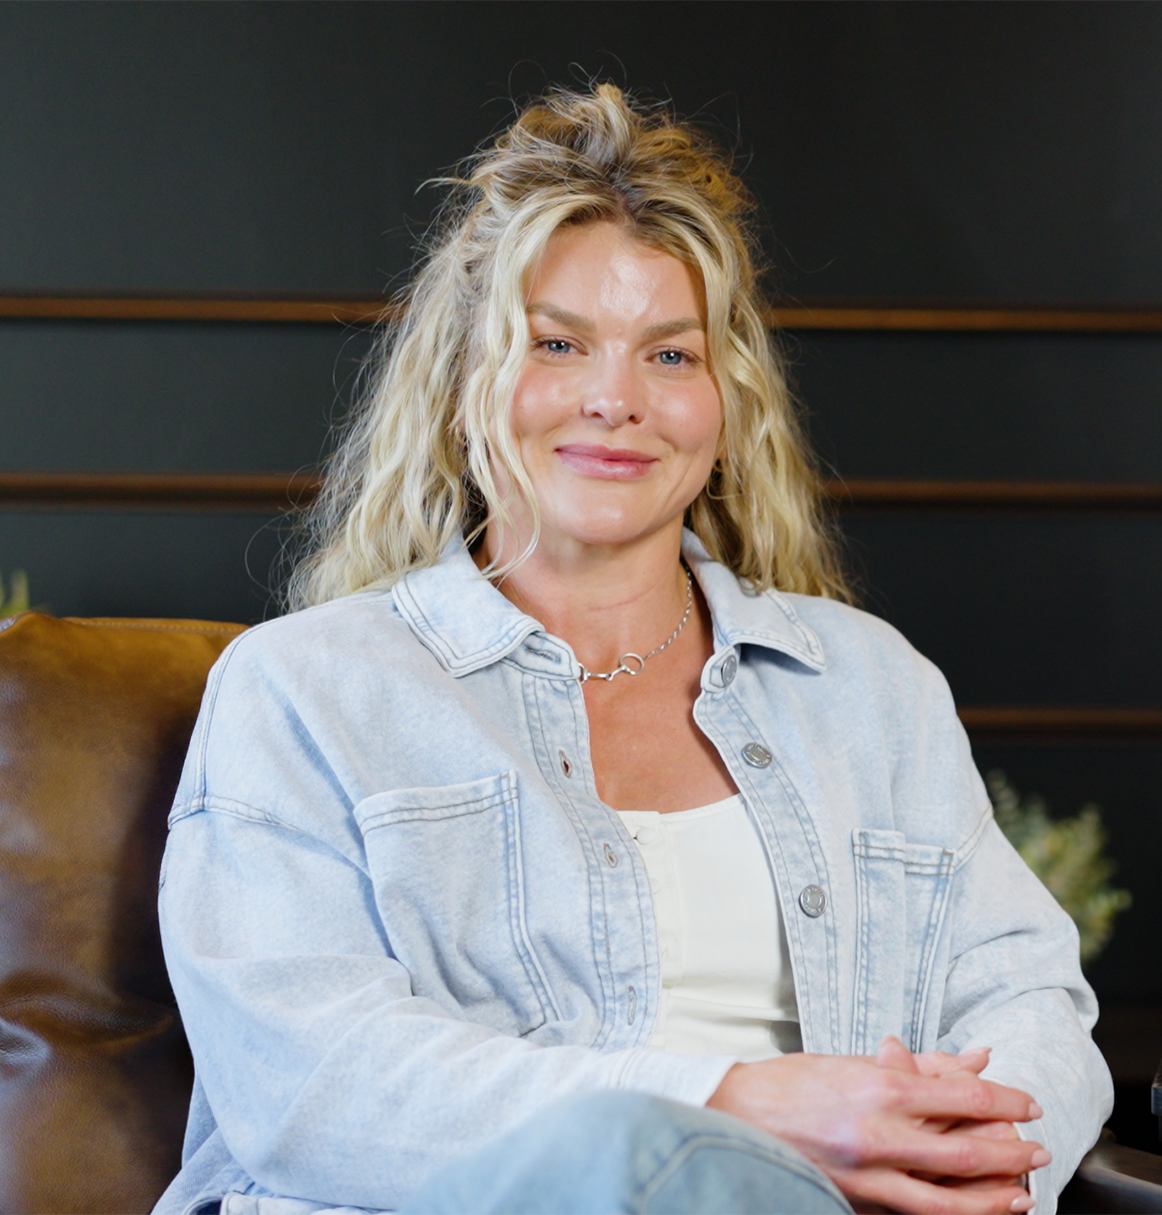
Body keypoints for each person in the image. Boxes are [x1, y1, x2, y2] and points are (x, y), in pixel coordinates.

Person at [152, 85, 1112, 1215]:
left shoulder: (872, 688)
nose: (617, 400)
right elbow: (311, 1084)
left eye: (669, 356)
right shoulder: (305, 692)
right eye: (556, 344)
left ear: (725, 401)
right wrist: (739, 1102)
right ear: (465, 387)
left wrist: (967, 1166)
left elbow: (1031, 1002)